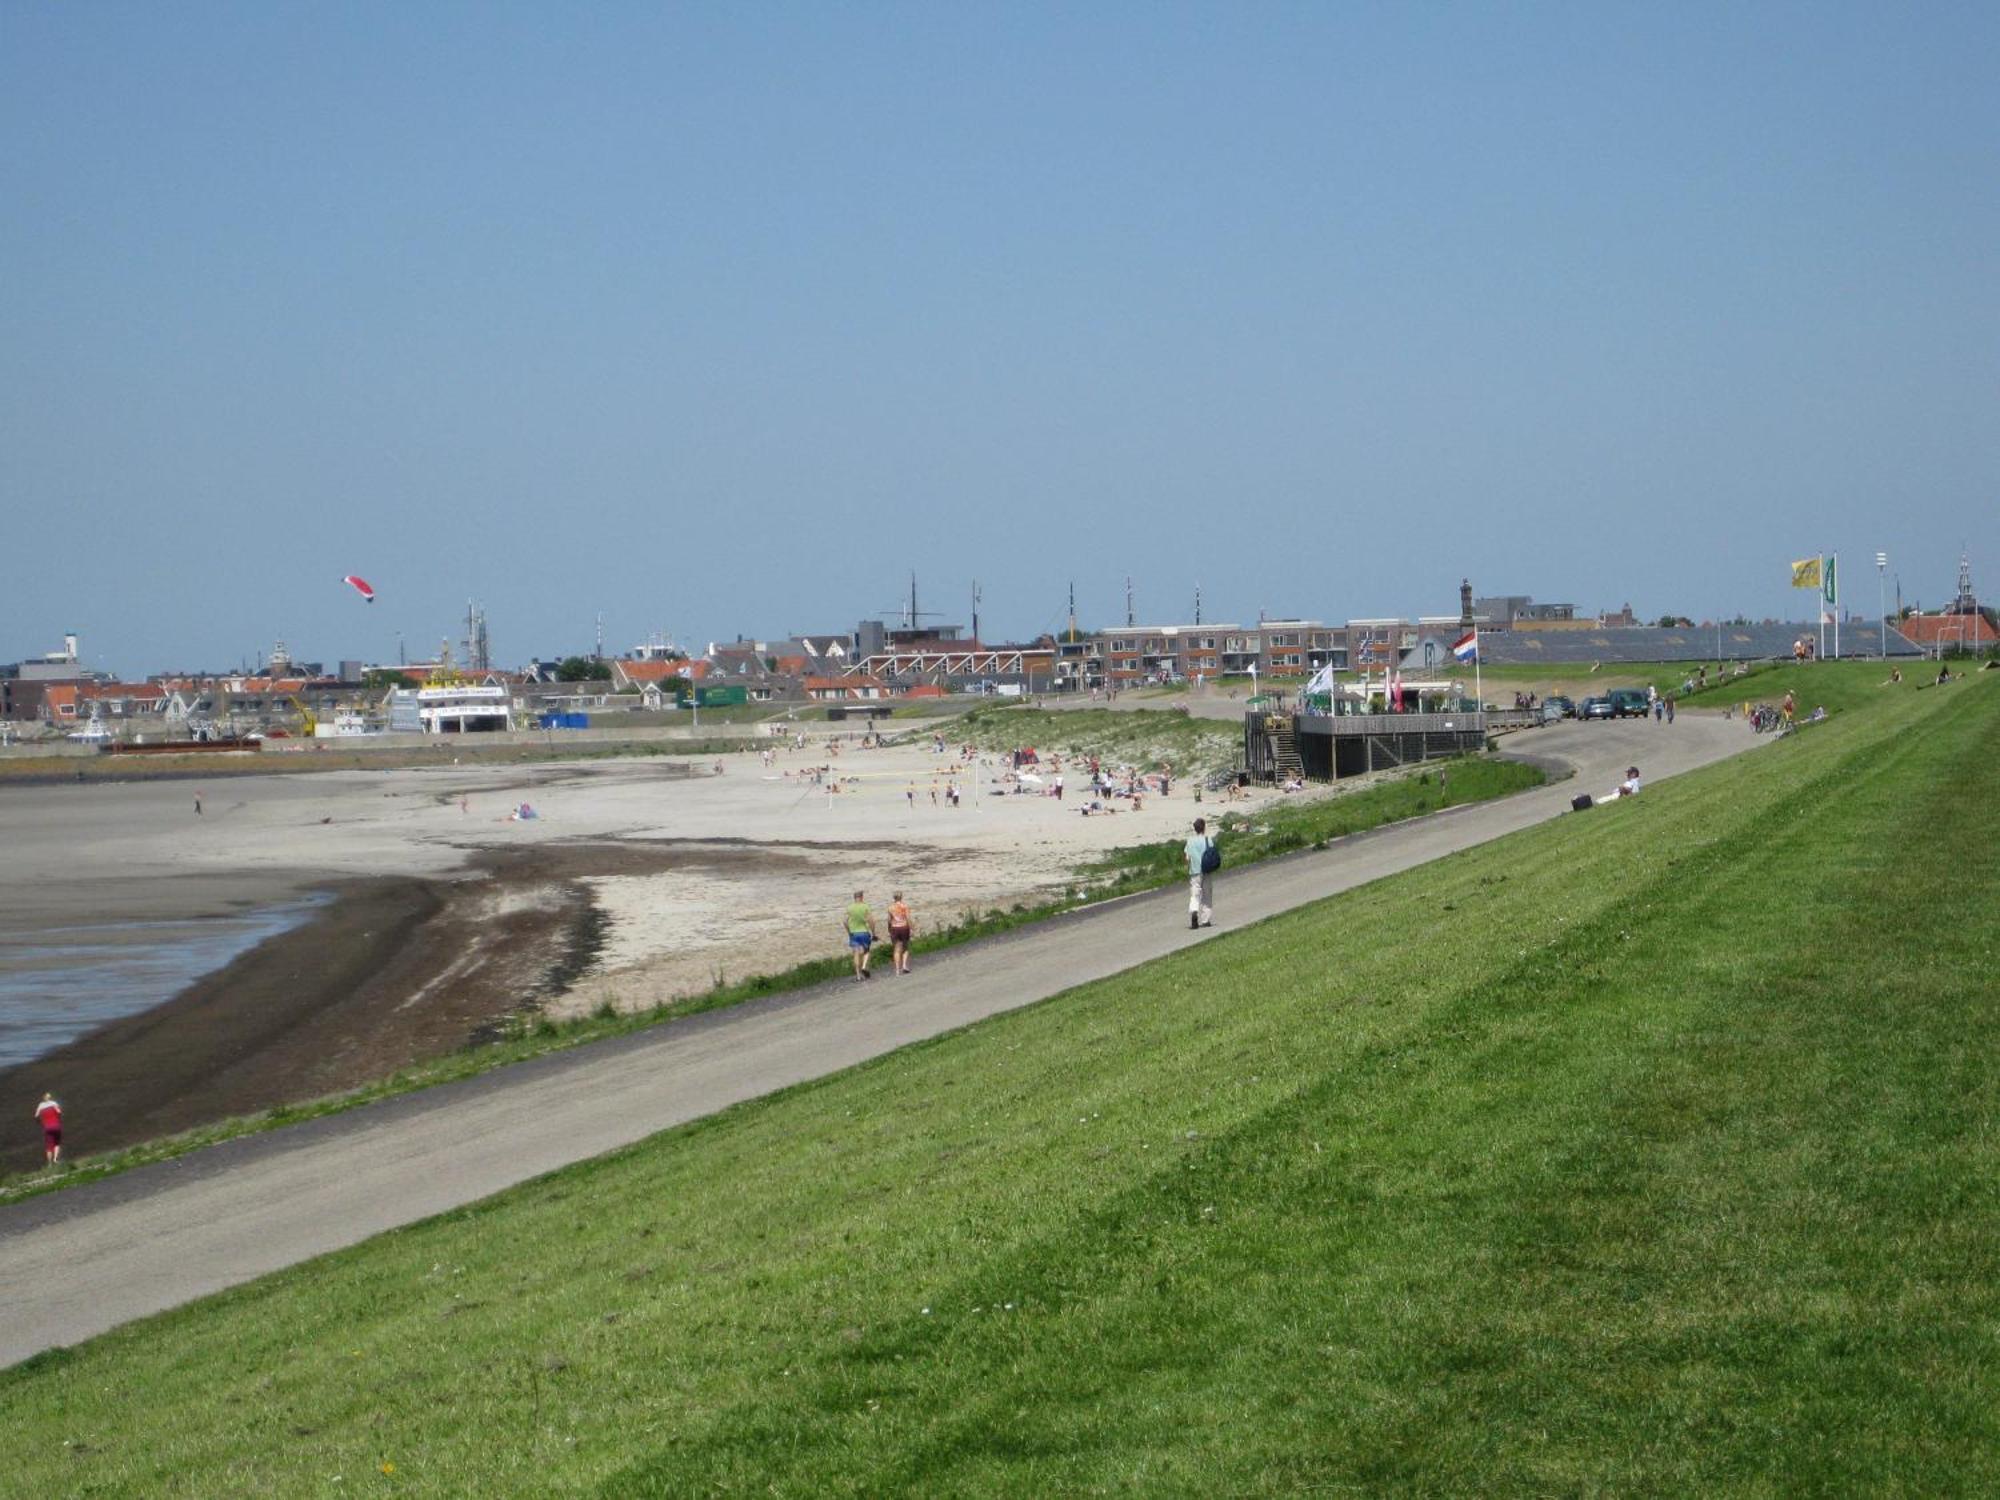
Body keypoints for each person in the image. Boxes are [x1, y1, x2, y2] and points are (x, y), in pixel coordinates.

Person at [1184, 817, 1215, 929]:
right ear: (1204, 828)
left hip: (1194, 871)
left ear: (1195, 829)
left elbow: (1187, 858)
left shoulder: (1190, 841)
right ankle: (1205, 920)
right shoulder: (1208, 840)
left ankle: (1194, 912)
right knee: (1207, 895)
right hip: (1206, 870)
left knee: (1194, 894)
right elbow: (1212, 853)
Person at [844, 890, 878, 980]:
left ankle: (858, 976)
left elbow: (844, 921)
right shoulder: (865, 906)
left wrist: (849, 932)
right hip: (864, 933)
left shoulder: (849, 907)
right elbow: (872, 921)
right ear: (862, 897)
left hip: (854, 933)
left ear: (854, 898)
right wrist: (873, 933)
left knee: (856, 953)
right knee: (866, 951)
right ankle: (864, 967)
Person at [887, 891, 916, 975]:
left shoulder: (890, 907)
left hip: (894, 928)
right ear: (901, 897)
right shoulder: (905, 906)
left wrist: (889, 929)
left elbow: (889, 920)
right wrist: (912, 929)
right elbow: (908, 918)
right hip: (904, 927)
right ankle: (904, 965)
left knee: (896, 949)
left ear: (894, 898)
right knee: (905, 947)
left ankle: (897, 969)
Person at [36, 1091, 62, 1167]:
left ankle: (49, 1164)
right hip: (56, 1126)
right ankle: (55, 1159)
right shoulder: (54, 1103)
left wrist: (41, 1122)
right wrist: (57, 1118)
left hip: (47, 1128)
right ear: (50, 1098)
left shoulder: (40, 1105)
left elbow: (36, 1116)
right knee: (57, 1143)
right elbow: (59, 1112)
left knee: (49, 1146)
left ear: (43, 1098)